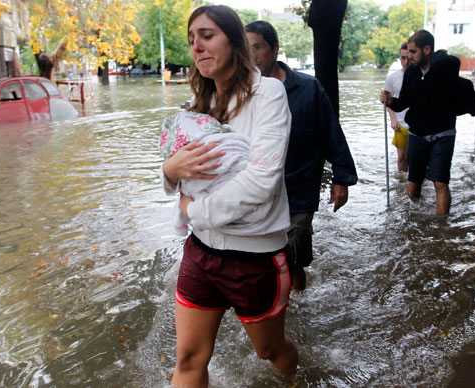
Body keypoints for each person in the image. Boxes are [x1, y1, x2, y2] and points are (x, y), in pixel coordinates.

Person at [161, 6, 298, 387]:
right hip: (201, 251)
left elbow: (263, 179)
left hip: (254, 256)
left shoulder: (267, 93)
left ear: (233, 40)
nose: (197, 48)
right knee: (188, 358)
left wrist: (194, 213)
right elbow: (183, 172)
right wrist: (168, 172)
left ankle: (298, 376)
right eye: (191, 40)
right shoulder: (197, 107)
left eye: (206, 36)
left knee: (270, 352)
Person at [245, 20, 358, 290]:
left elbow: (331, 132)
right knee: (258, 261)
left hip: (299, 190)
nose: (253, 57)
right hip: (256, 191)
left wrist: (341, 178)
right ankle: (272, 317)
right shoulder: (242, 91)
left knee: (293, 259)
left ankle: (299, 310)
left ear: (275, 48)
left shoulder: (308, 88)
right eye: (247, 50)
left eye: (258, 47)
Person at [380, 30, 460, 215]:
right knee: (413, 183)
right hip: (417, 133)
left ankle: (441, 229)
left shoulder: (445, 67)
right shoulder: (411, 73)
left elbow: (454, 61)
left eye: (413, 52)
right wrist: (391, 101)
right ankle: (413, 221)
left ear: (427, 49)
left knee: (440, 182)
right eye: (407, 53)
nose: (409, 57)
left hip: (443, 133)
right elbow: (404, 103)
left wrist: (435, 58)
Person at [383, 42, 410, 172]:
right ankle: (401, 183)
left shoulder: (420, 76)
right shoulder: (392, 78)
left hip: (418, 124)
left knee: (418, 158)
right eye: (403, 58)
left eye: (408, 58)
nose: (406, 61)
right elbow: (388, 101)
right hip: (400, 123)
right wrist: (393, 119)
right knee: (401, 156)